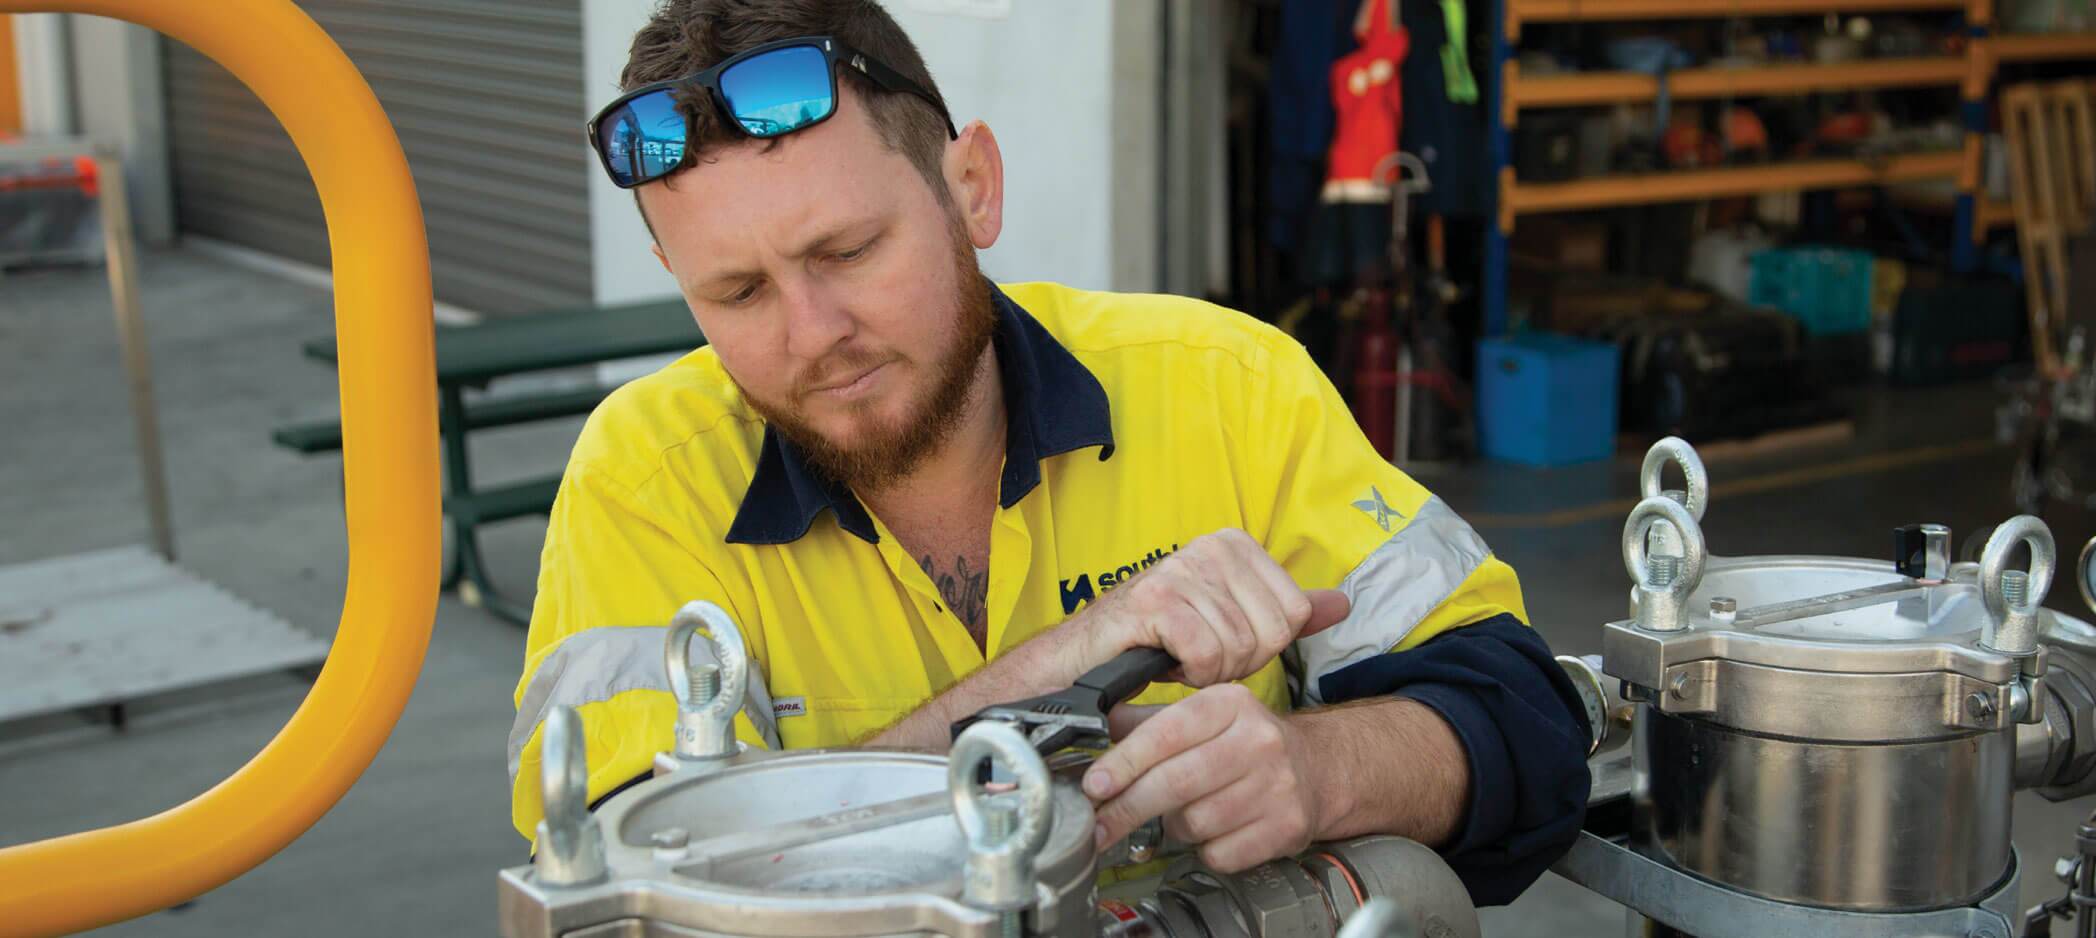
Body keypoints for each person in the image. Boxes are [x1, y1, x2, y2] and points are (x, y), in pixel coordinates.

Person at [509, 0, 1588, 903]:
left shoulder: (1225, 384)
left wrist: (1318, 767)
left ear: (971, 187)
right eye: (735, 292)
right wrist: (1066, 663)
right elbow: (635, 891)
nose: (810, 332)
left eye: (846, 250)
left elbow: (1520, 720)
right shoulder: (641, 481)